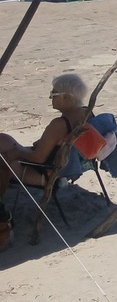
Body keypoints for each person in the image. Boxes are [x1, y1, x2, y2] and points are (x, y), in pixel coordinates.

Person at [0, 73, 91, 243]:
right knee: (3, 140)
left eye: (53, 94)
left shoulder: (58, 124)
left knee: (3, 159)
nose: (50, 97)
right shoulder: (84, 113)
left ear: (66, 97)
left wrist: (17, 153)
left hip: (44, 173)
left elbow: (38, 157)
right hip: (59, 166)